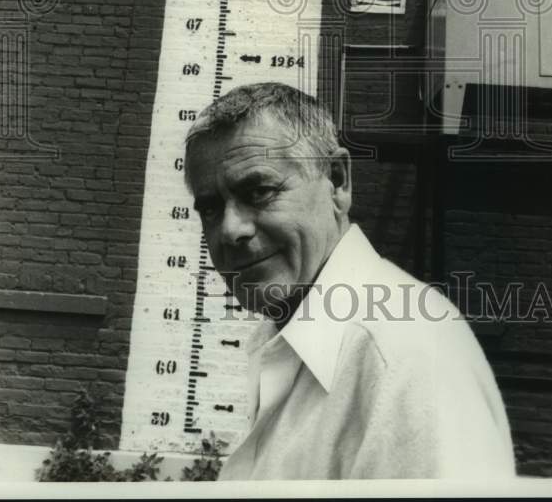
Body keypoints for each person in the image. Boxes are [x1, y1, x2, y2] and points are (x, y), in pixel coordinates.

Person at [183, 81, 515, 481]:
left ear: (337, 182)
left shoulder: (404, 354)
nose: (230, 230)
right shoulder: (291, 338)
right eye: (211, 209)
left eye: (259, 192)